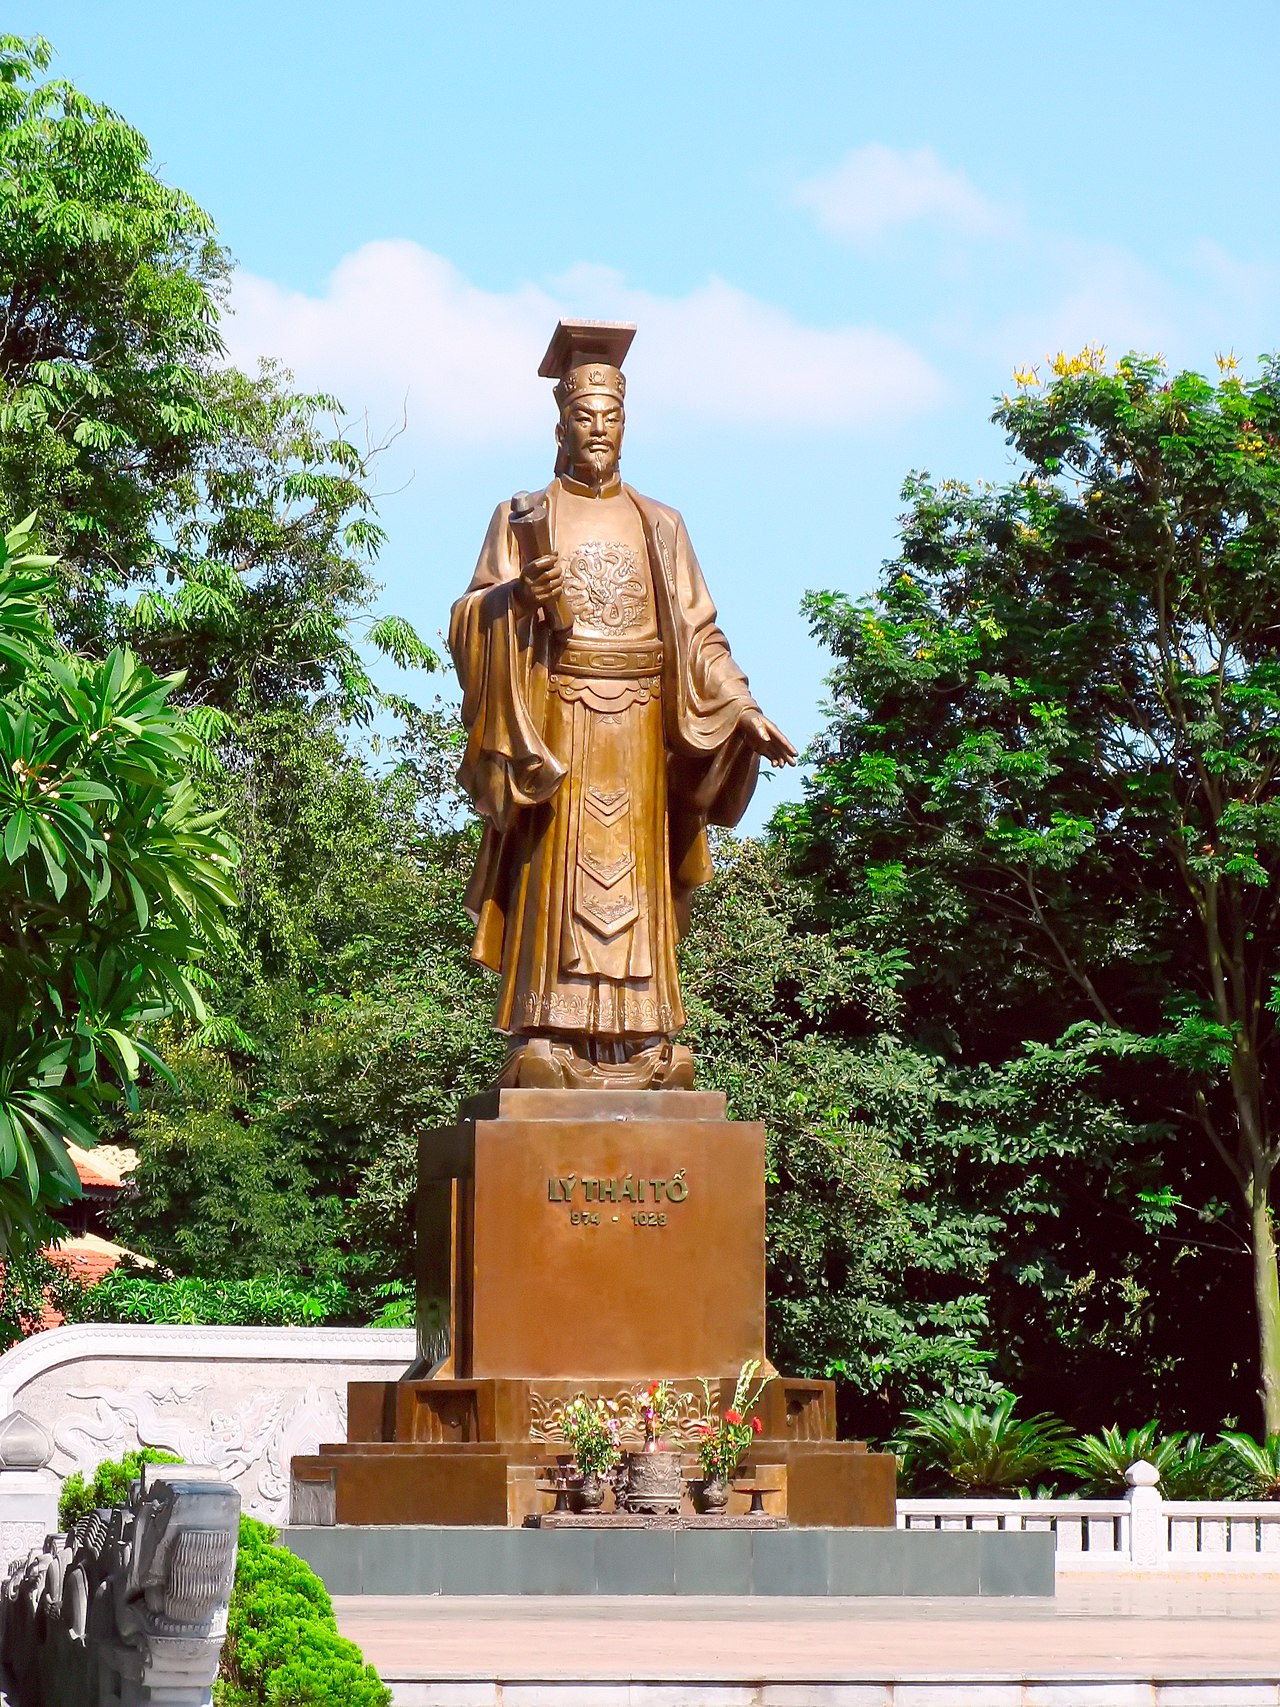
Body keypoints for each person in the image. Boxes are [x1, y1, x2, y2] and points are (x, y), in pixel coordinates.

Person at [450, 320, 796, 1088]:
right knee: (558, 877)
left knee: (633, 884)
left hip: (640, 731)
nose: (599, 429)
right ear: (561, 426)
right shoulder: (522, 518)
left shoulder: (660, 524)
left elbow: (699, 636)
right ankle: (547, 1033)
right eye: (585, 416)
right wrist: (517, 598)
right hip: (560, 724)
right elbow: (469, 616)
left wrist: (742, 708)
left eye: (612, 417)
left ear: (626, 425)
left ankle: (642, 1041)